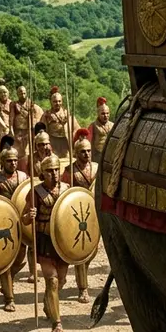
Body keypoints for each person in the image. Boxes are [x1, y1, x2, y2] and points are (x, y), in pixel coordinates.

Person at [25, 154, 69, 332]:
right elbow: (23, 218)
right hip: (44, 239)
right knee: (52, 280)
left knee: (62, 279)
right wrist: (30, 215)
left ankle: (48, 302)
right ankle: (57, 323)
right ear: (43, 173)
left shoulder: (67, 189)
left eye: (56, 170)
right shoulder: (35, 192)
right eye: (50, 171)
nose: (54, 174)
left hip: (62, 240)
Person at [0, 145, 29, 312]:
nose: (13, 163)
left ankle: (9, 279)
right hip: (3, 224)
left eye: (15, 160)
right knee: (6, 261)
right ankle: (9, 298)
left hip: (21, 223)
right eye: (9, 161)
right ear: (2, 162)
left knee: (21, 258)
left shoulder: (24, 177)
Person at [62, 129, 97, 303]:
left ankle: (79, 274)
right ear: (76, 153)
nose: (87, 154)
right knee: (81, 250)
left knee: (93, 250)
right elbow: (64, 192)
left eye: (89, 151)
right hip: (77, 215)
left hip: (95, 214)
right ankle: (82, 288)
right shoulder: (70, 170)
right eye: (83, 151)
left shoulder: (97, 168)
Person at [40, 86, 77, 159]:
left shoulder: (67, 113)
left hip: (65, 141)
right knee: (53, 159)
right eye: (55, 101)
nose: (57, 103)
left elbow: (75, 128)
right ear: (51, 102)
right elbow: (42, 129)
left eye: (59, 101)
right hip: (52, 140)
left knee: (66, 159)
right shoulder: (47, 114)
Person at [88, 97, 114, 163]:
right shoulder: (93, 126)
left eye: (107, 113)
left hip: (110, 154)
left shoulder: (113, 126)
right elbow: (88, 142)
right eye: (103, 113)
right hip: (97, 155)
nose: (105, 115)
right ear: (98, 114)